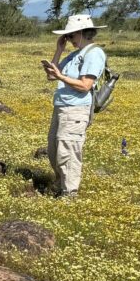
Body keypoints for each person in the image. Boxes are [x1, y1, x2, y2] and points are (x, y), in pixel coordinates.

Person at [41, 14, 107, 198]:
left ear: (81, 33)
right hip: (61, 107)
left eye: (70, 36)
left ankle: (69, 193)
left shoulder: (94, 53)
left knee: (68, 151)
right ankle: (59, 184)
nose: (68, 39)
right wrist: (58, 50)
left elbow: (85, 85)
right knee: (54, 149)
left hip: (76, 109)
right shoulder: (73, 54)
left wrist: (61, 77)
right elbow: (51, 76)